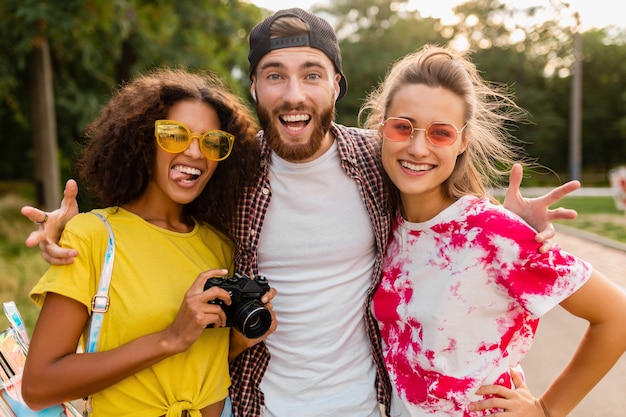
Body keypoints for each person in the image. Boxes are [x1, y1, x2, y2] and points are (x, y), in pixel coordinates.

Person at [21, 9, 581, 417]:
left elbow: (431, 173)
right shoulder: (229, 170)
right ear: (256, 88)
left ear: (336, 84)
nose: (294, 93)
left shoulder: (376, 157)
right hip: (252, 403)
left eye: (312, 74)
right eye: (275, 75)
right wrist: (70, 224)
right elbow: (161, 195)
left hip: (366, 404)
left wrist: (505, 220)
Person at [362, 44, 626, 416]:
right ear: (381, 129)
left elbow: (617, 315)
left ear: (463, 141)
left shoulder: (493, 234)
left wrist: (547, 410)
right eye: (402, 127)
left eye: (440, 133)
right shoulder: (384, 224)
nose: (418, 147)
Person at [21, 68, 275, 417]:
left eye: (212, 142)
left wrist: (239, 340)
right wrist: (169, 338)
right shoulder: (94, 236)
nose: (196, 153)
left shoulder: (221, 245)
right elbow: (38, 387)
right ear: (142, 140)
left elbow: (197, 364)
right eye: (175, 135)